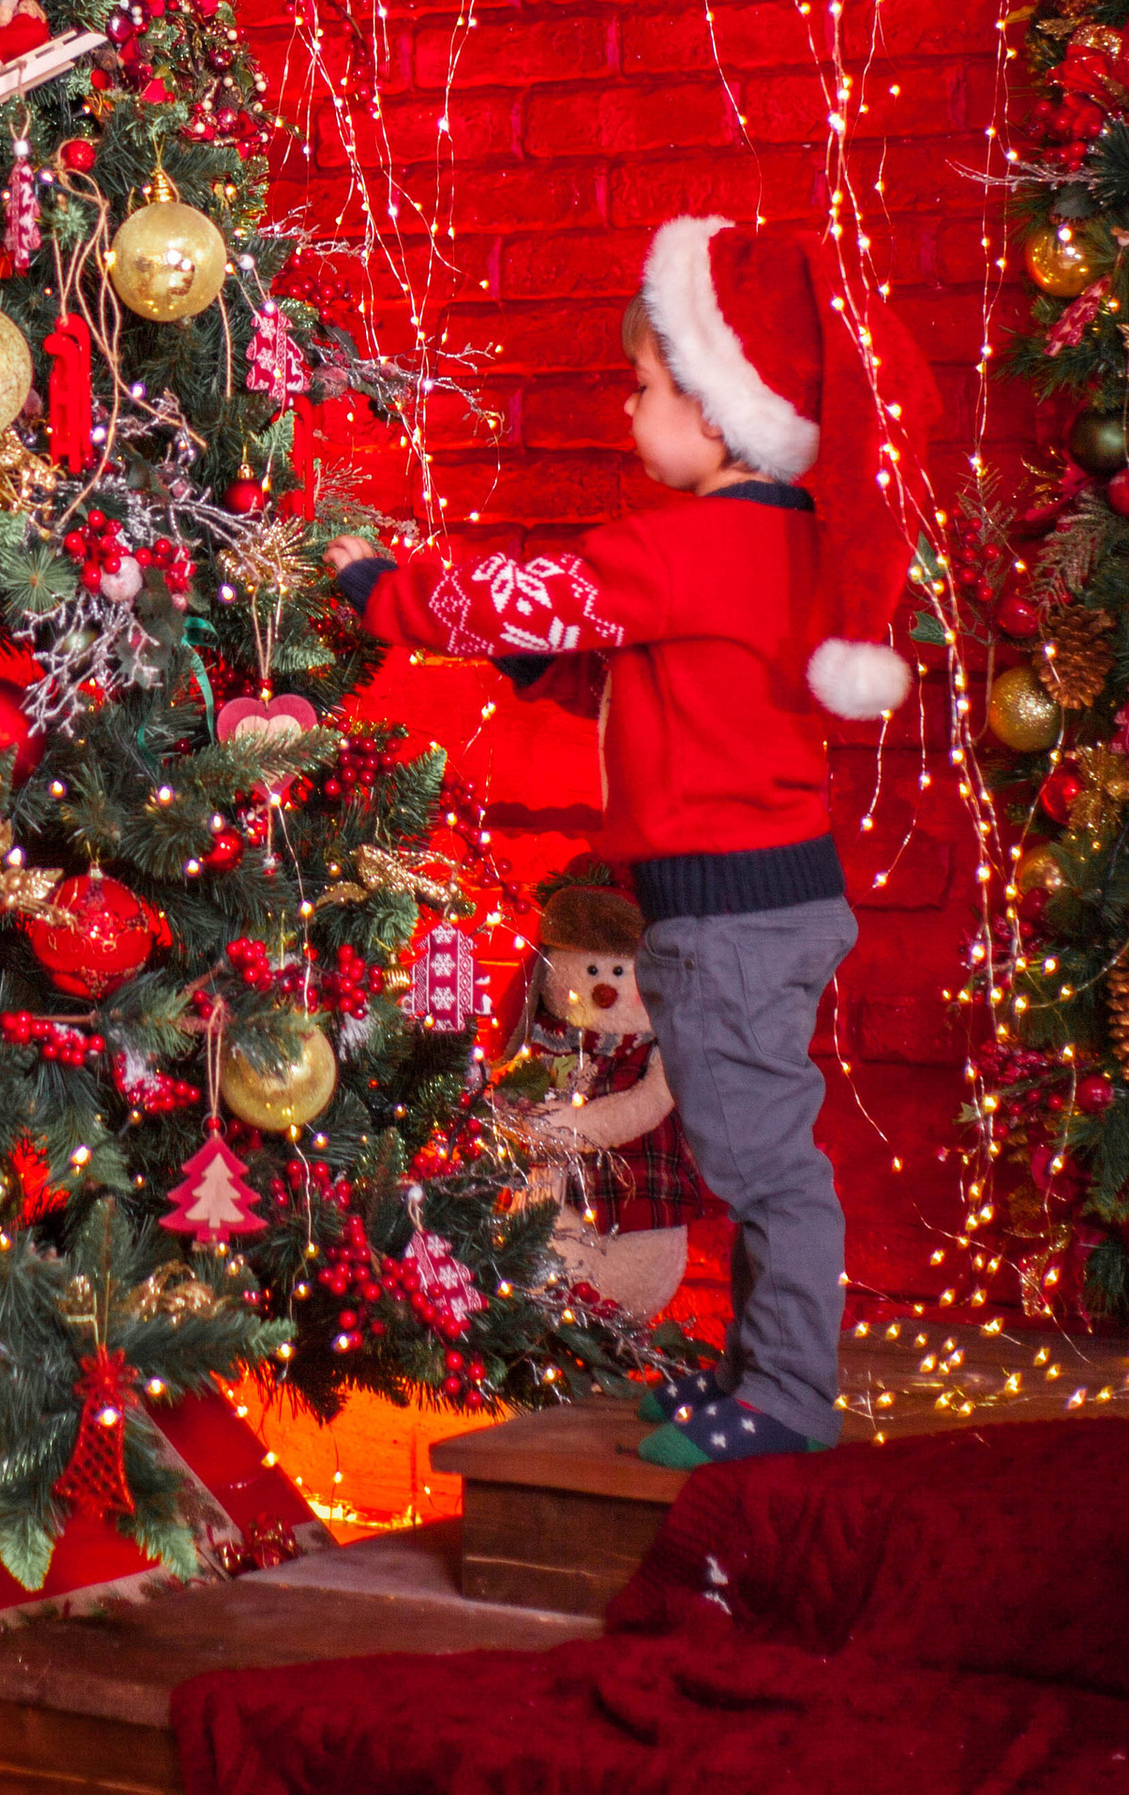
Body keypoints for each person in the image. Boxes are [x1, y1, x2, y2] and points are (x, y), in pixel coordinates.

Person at [329, 218, 934, 1469]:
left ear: (719, 412)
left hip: (728, 915)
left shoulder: (687, 544)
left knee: (761, 1163)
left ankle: (784, 1404)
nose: (626, 403)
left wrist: (373, 583)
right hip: (751, 903)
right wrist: (540, 664)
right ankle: (753, 1382)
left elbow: (521, 592)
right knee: (749, 1144)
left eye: (648, 386)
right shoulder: (770, 547)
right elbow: (639, 686)